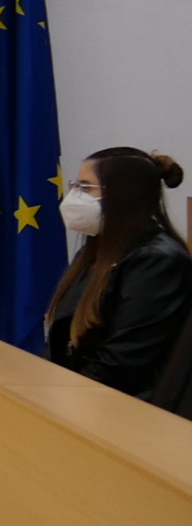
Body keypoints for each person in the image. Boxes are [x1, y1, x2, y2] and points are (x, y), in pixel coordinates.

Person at [45, 148, 192, 400]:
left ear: (122, 194)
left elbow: (123, 362)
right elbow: (62, 337)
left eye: (85, 187)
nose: (74, 196)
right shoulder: (96, 250)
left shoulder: (157, 261)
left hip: (120, 406)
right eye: (75, 186)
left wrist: (63, 399)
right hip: (78, 395)